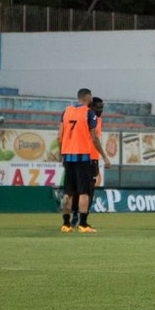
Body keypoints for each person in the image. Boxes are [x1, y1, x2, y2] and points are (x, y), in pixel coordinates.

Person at [59, 88, 111, 233]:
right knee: (84, 192)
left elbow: (60, 136)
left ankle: (66, 223)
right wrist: (105, 157)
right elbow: (94, 138)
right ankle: (83, 223)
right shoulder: (89, 114)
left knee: (68, 191)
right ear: (89, 98)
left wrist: (61, 154)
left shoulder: (66, 111)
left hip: (68, 156)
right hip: (83, 157)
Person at [71, 97, 104, 229]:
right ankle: (78, 218)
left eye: (102, 108)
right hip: (85, 158)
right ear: (91, 107)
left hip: (92, 159)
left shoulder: (98, 120)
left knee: (87, 190)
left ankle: (80, 217)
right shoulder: (86, 119)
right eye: (98, 108)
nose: (101, 110)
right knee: (83, 191)